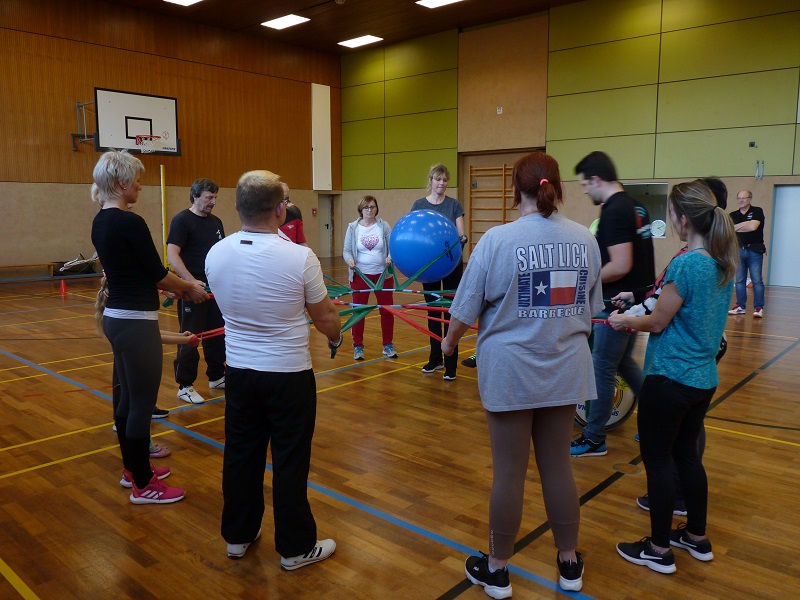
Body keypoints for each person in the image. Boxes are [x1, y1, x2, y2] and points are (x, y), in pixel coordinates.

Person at [441, 152, 604, 596]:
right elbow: (592, 310)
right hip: (565, 370)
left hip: (511, 371)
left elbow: (464, 310)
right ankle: (569, 564)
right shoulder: (585, 241)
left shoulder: (496, 240)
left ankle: (496, 570)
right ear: (556, 188)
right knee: (558, 470)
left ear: (516, 190)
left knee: (509, 474)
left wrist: (449, 342)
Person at [206, 170, 341, 569]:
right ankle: (297, 548)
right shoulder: (299, 257)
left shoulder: (216, 254)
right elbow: (326, 318)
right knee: (289, 459)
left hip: (241, 374)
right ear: (281, 209)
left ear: (237, 207)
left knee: (241, 454)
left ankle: (238, 535)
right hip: (288, 376)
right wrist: (335, 339)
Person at [609, 181, 737, 574]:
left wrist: (624, 321)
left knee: (659, 462)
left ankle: (659, 548)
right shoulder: (723, 263)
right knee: (687, 459)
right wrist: (636, 305)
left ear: (682, 219)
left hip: (669, 380)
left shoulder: (687, 264)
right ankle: (696, 537)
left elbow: (659, 320)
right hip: (702, 380)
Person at [91, 150, 209, 504]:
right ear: (123, 183)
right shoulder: (130, 222)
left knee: (129, 399)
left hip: (118, 318)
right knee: (141, 405)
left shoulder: (101, 220)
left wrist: (167, 286)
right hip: (135, 322)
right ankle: (144, 484)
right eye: (138, 180)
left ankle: (134, 468)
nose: (140, 186)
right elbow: (157, 273)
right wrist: (190, 288)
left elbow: (134, 272)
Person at [570, 151, 655, 457]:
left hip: (617, 304)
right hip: (635, 303)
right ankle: (657, 421)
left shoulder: (615, 210)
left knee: (602, 368)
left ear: (596, 179)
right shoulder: (636, 206)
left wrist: (585, 282)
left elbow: (620, 265)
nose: (585, 191)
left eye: (584, 185)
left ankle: (594, 437)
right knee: (622, 363)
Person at [167, 178, 226, 405]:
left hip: (214, 290)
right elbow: (173, 255)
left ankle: (217, 376)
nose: (213, 202)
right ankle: (185, 385)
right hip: (192, 291)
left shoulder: (216, 222)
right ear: (195, 197)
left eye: (215, 197)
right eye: (209, 197)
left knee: (218, 332)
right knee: (190, 336)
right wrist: (190, 283)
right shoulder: (182, 220)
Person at [411, 163, 468, 380]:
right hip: (429, 267)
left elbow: (461, 234)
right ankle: (435, 358)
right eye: (438, 179)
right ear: (431, 181)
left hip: (451, 265)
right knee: (433, 312)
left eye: (445, 180)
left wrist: (460, 240)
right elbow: (414, 234)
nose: (441, 183)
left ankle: (450, 363)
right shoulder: (419, 205)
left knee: (451, 312)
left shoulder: (454, 205)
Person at [342, 195, 397, 360]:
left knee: (387, 311)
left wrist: (389, 257)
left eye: (372, 207)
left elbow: (392, 246)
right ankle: (358, 346)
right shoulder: (353, 228)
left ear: (376, 208)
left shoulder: (383, 226)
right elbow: (346, 250)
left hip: (383, 275)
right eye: (366, 207)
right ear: (361, 209)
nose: (369, 210)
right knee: (358, 312)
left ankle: (388, 345)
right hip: (360, 276)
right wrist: (350, 260)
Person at [728, 190, 765, 317]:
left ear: (750, 199)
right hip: (738, 250)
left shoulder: (757, 211)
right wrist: (744, 225)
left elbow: (752, 227)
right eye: (739, 198)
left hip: (755, 250)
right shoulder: (732, 215)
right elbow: (729, 230)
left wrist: (737, 227)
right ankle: (740, 306)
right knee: (739, 281)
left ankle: (758, 308)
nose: (741, 200)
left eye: (744, 198)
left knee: (757, 280)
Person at [278, 182, 308, 246]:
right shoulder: (264, 218)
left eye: (286, 198)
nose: (285, 202)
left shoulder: (294, 214)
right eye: (282, 198)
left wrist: (308, 255)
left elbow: (301, 241)